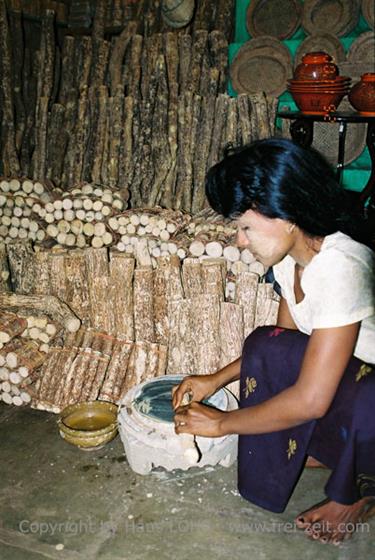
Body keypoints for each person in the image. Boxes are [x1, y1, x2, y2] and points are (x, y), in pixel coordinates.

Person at [172, 138, 375, 545]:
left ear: (287, 216)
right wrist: (215, 379)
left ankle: (359, 491)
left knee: (366, 392)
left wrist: (223, 423)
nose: (239, 241)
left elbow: (312, 399)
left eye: (245, 227)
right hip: (349, 387)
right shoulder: (290, 261)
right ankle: (334, 451)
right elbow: (284, 347)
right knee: (268, 344)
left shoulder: (342, 266)